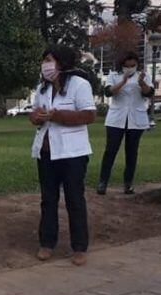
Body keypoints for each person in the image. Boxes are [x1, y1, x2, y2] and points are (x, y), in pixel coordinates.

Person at [29, 45, 96, 266]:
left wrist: (58, 115)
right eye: (44, 60)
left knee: (75, 199)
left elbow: (88, 115)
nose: (46, 65)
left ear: (62, 62)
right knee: (48, 200)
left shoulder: (80, 85)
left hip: (73, 153)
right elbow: (35, 115)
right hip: (46, 153)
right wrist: (37, 117)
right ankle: (47, 243)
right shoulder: (42, 89)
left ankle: (79, 247)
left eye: (50, 60)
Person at [97, 52, 154, 195]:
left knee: (131, 152)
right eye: (127, 66)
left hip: (136, 118)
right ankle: (103, 182)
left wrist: (141, 83)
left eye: (133, 66)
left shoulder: (144, 75)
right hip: (116, 119)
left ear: (137, 64)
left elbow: (149, 93)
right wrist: (123, 81)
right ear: (122, 65)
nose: (130, 68)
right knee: (110, 151)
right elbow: (109, 92)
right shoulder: (114, 75)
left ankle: (128, 183)